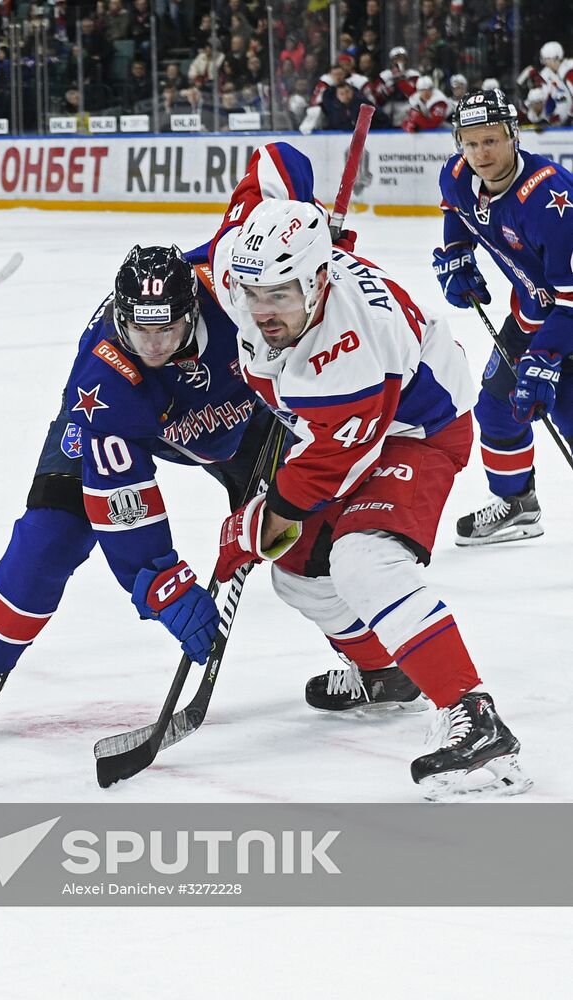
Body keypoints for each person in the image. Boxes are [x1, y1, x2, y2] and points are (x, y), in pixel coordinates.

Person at [207, 189, 530, 799]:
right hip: (339, 428)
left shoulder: (352, 347)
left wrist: (257, 525)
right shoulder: (239, 270)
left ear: (318, 281)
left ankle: (474, 714)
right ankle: (384, 673)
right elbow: (273, 163)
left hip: (419, 429)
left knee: (363, 557)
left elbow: (330, 466)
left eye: (279, 295)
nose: (262, 311)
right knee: (297, 572)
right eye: (253, 294)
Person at [0, 244, 277, 725]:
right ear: (121, 316)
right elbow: (123, 501)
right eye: (140, 328)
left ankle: (375, 663)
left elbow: (263, 212)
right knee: (49, 536)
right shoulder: (105, 378)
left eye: (167, 328)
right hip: (118, 420)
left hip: (244, 415)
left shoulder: (235, 293)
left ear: (193, 310)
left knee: (313, 534)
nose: (154, 344)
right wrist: (164, 583)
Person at [433, 89, 573, 544]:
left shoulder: (552, 199)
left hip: (566, 317)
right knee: (497, 409)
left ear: (513, 135)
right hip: (533, 314)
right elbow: (456, 212)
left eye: (491, 140)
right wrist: (457, 253)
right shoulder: (457, 176)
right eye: (470, 143)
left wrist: (548, 356)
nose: (481, 154)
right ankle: (518, 506)